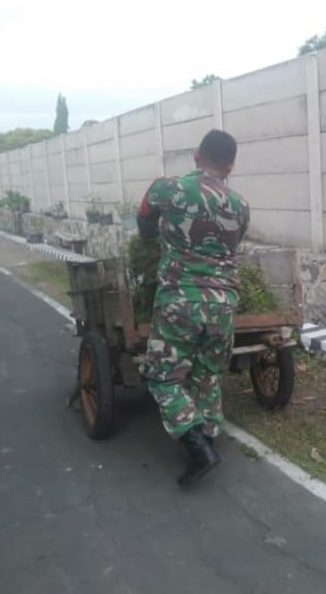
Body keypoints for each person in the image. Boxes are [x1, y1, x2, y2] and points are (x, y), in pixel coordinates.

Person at [137, 129, 250, 487]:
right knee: (207, 372)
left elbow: (143, 218)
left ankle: (197, 446)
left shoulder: (168, 188)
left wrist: (152, 237)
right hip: (223, 305)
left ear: (197, 155)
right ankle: (209, 435)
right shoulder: (240, 205)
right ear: (231, 165)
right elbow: (231, 246)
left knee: (161, 376)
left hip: (180, 301)